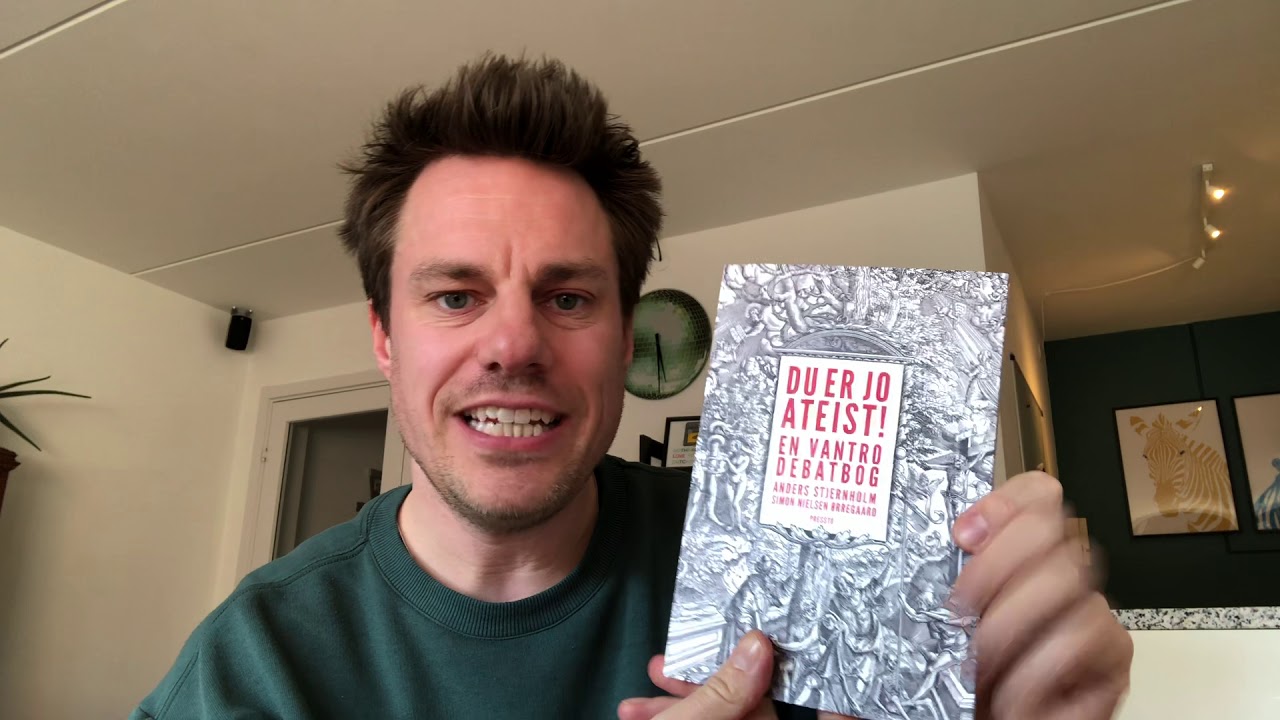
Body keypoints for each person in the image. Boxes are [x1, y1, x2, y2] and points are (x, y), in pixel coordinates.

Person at [132, 54, 1133, 720]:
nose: (513, 345)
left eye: (567, 298)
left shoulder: (777, 565)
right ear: (384, 338)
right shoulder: (254, 665)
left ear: (624, 342)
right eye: (455, 296)